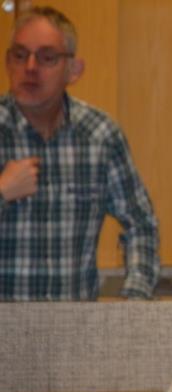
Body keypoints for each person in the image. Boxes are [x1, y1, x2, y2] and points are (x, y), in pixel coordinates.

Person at [0, 6, 159, 301]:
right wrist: (2, 190)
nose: (30, 67)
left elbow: (141, 223)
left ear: (74, 70)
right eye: (20, 55)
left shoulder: (100, 135)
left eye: (47, 57)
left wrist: (134, 300)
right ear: (8, 62)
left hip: (75, 322)